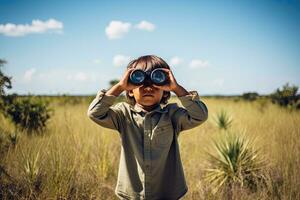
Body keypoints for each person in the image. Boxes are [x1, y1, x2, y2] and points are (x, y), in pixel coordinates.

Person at [87, 55, 208, 200]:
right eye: (141, 83)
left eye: (156, 82)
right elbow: (94, 113)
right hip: (132, 194)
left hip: (167, 193)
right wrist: (120, 86)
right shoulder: (123, 114)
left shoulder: (172, 114)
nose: (149, 87)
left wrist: (176, 88)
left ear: (165, 89)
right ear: (130, 90)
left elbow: (200, 115)